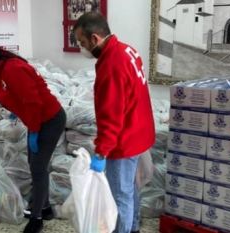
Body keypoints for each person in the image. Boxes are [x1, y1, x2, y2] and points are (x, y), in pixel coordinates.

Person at [0, 40, 66, 233]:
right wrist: (15, 108)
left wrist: (34, 130)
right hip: (39, 120)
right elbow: (17, 94)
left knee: (38, 168)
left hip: (49, 120)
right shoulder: (3, 67)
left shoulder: (12, 68)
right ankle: (45, 208)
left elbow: (33, 102)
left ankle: (37, 218)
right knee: (36, 165)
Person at [73, 12, 156, 233]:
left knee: (120, 196)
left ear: (94, 38)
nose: (82, 48)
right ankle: (134, 227)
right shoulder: (127, 50)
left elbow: (112, 115)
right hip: (140, 132)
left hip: (124, 141)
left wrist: (102, 152)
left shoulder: (111, 63)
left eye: (82, 43)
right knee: (130, 189)